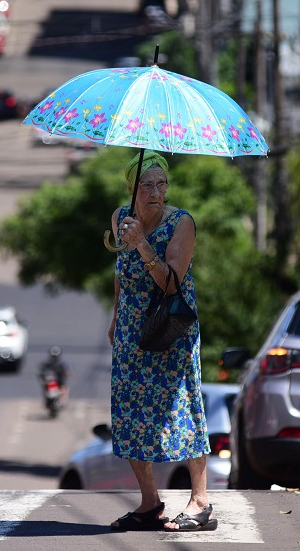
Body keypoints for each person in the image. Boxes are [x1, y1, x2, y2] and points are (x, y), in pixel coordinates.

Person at [106, 151, 216, 533]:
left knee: (183, 409)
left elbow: (172, 281)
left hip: (170, 332)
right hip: (130, 333)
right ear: (132, 189)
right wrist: (116, 315)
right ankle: (150, 502)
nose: (155, 191)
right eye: (146, 184)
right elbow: (120, 272)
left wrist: (142, 244)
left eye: (161, 183)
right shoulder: (121, 217)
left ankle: (200, 500)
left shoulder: (182, 223)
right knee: (129, 415)